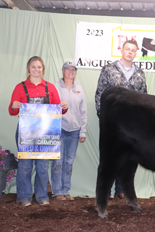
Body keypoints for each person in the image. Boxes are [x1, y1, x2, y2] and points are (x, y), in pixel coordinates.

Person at [9, 56, 68, 207]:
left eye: (39, 67)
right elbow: (12, 110)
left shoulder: (50, 88)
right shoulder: (19, 87)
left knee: (42, 166)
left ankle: (42, 196)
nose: (36, 70)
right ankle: (24, 197)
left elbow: (57, 111)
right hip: (25, 133)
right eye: (33, 67)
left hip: (45, 133)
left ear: (43, 69)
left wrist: (63, 108)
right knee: (25, 165)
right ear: (28, 69)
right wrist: (14, 105)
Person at [95, 40, 147, 199]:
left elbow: (144, 98)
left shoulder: (140, 73)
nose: (130, 52)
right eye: (127, 49)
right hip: (112, 123)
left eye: (133, 50)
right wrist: (103, 117)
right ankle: (105, 190)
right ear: (122, 50)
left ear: (136, 53)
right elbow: (100, 95)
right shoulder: (109, 70)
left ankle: (122, 190)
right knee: (109, 156)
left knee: (129, 156)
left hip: (132, 124)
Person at [51, 61, 87, 201]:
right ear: (63, 71)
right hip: (59, 128)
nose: (71, 71)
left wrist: (82, 131)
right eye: (68, 69)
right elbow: (49, 107)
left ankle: (66, 190)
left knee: (69, 162)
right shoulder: (55, 87)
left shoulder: (79, 89)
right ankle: (57, 191)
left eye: (73, 69)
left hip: (74, 130)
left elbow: (83, 111)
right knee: (57, 161)